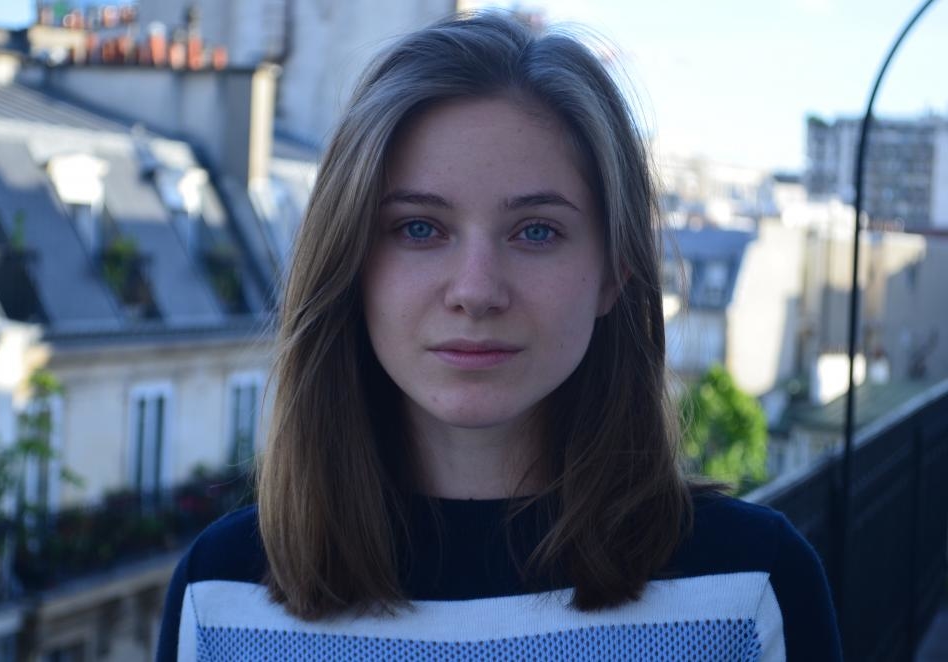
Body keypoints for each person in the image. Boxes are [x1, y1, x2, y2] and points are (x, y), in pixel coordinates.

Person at [157, 11, 841, 661]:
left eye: (536, 231)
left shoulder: (749, 592)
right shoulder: (221, 598)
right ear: (350, 264)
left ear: (615, 272)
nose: (476, 290)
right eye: (419, 228)